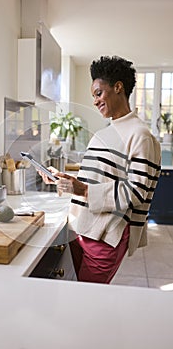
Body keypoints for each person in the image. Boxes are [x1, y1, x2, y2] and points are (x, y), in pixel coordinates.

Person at [40, 55, 161, 284]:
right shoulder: (103, 134)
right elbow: (94, 180)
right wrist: (63, 180)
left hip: (106, 235)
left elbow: (135, 193)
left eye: (98, 93)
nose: (95, 101)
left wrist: (82, 189)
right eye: (93, 96)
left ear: (118, 87)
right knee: (83, 295)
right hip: (80, 227)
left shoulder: (140, 135)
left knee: (88, 300)